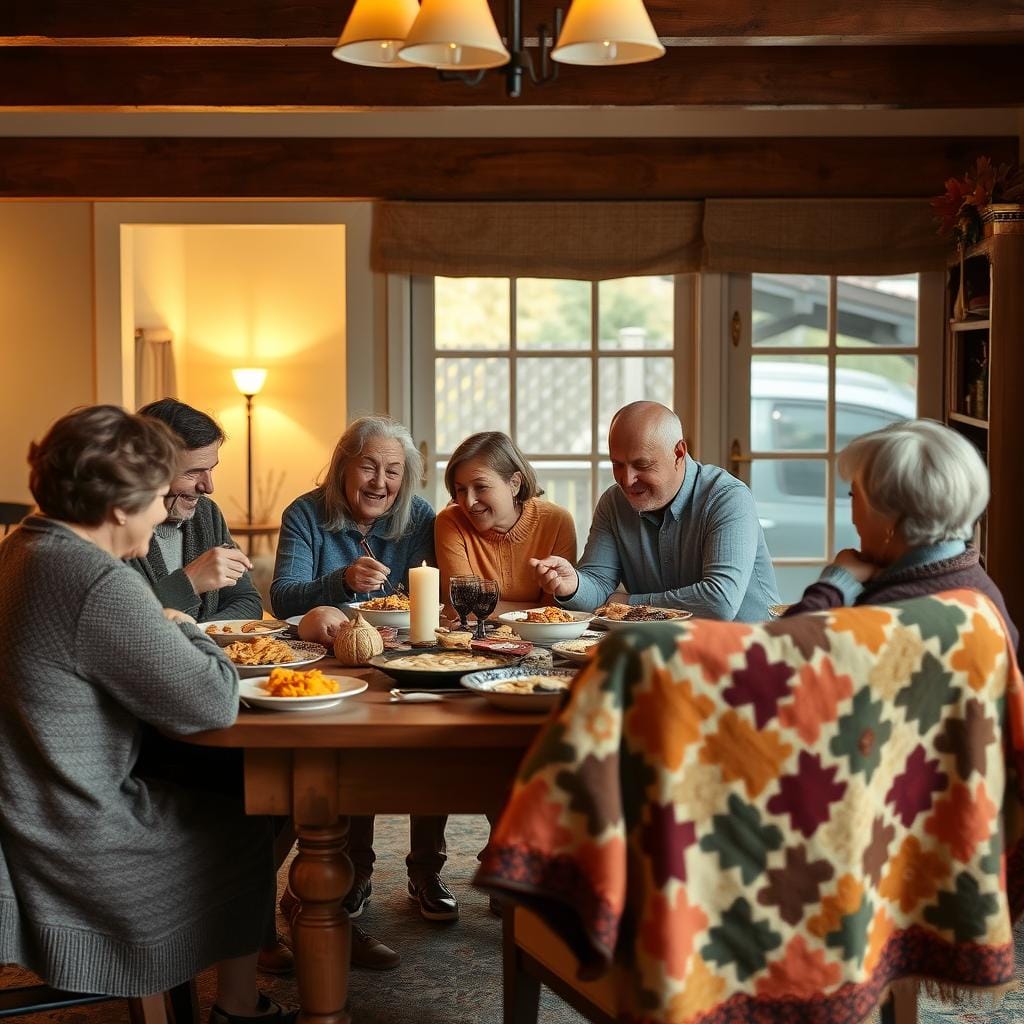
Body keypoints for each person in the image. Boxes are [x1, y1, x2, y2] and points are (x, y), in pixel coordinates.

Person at [0, 405, 293, 1024]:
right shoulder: (97, 582)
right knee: (246, 817)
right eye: (156, 497)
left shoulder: (22, 545)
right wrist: (183, 624)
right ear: (117, 510)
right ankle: (239, 1009)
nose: (166, 511)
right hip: (77, 830)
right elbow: (212, 698)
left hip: (24, 805)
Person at [271, 415, 446, 958]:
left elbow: (424, 593)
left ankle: (425, 870)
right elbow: (284, 597)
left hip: (403, 654)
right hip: (330, 661)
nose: (380, 482)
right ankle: (352, 875)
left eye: (393, 471)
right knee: (347, 759)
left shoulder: (417, 515)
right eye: (368, 466)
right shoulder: (305, 513)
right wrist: (340, 581)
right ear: (343, 466)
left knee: (432, 743)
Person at [784, 418, 1019, 653]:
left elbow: (781, 653)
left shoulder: (890, 611)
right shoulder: (974, 580)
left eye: (853, 496)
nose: (853, 516)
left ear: (888, 517)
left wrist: (836, 582)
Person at [531, 401, 779, 621]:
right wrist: (574, 585)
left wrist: (628, 604)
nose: (626, 480)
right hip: (663, 652)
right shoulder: (613, 503)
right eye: (617, 464)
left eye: (642, 465)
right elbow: (598, 590)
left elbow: (719, 602)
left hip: (749, 655)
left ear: (678, 453)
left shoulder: (728, 498)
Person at [129, 398, 262, 623]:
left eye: (211, 469)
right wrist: (189, 581)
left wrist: (203, 637)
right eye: (192, 473)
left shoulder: (206, 514)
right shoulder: (118, 530)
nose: (208, 487)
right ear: (149, 469)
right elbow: (120, 624)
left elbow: (247, 600)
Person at [435, 431, 577, 617]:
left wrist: (486, 607)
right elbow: (463, 608)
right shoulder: (450, 522)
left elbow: (556, 612)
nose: (468, 502)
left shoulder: (557, 522)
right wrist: (534, 608)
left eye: (481, 487)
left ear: (514, 484)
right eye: (461, 490)